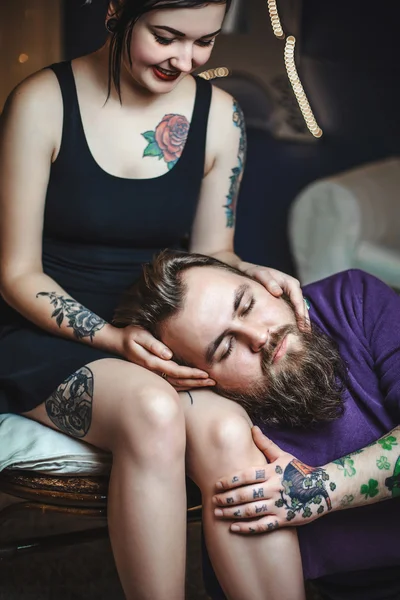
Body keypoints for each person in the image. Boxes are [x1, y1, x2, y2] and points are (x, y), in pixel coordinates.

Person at [0, 1, 310, 599]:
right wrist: (113, 339)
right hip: (45, 329)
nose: (184, 59)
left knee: (224, 431)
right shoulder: (41, 102)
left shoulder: (221, 117)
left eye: (204, 42)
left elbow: (214, 251)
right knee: (152, 410)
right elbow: (15, 272)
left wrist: (255, 274)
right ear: (119, 10)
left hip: (161, 329)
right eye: (166, 37)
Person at [114, 250, 400, 600]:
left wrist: (320, 488)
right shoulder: (226, 430)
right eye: (225, 348)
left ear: (267, 282)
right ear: (198, 378)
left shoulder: (353, 298)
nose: (258, 337)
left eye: (247, 305)